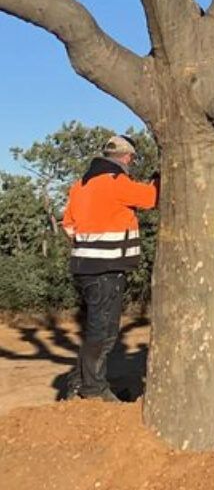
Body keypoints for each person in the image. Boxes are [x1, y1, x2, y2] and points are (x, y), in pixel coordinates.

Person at [61, 135, 158, 402]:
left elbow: (68, 225)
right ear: (127, 157)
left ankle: (78, 384)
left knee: (95, 327)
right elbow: (152, 198)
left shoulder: (79, 185)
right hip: (107, 268)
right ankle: (93, 389)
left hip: (84, 267)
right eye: (132, 160)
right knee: (104, 332)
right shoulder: (117, 182)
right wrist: (159, 178)